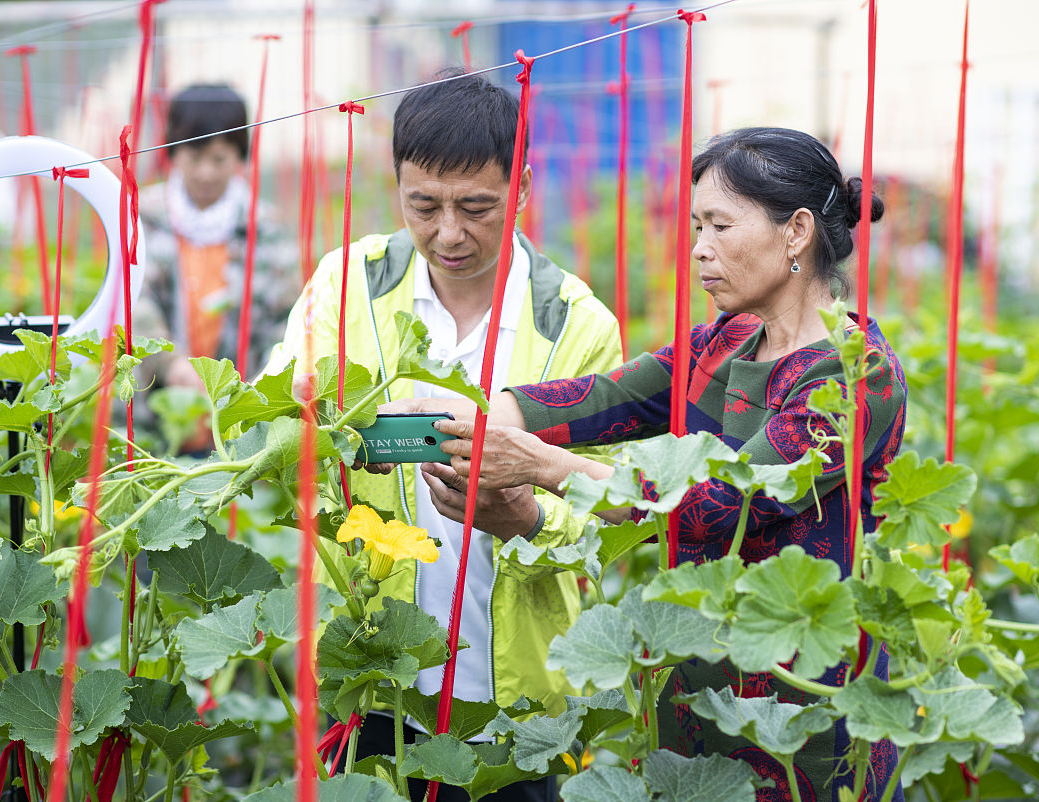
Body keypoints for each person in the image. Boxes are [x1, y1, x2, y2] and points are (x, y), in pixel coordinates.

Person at [407, 127, 906, 802]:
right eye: (697, 225)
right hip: (693, 698)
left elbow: (715, 505)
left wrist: (536, 463)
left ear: (796, 232)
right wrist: (471, 415)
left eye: (721, 226)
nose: (699, 248)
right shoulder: (726, 340)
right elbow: (604, 399)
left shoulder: (856, 375)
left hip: (806, 722)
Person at [263, 71, 623, 801]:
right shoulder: (346, 284)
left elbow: (615, 515)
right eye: (423, 206)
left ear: (520, 187)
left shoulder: (579, 327)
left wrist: (531, 518)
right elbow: (271, 435)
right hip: (372, 679)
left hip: (523, 703)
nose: (448, 233)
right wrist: (299, 420)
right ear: (397, 185)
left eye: (476, 207)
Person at [135, 83, 296, 446]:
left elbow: (285, 319)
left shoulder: (264, 227)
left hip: (243, 420)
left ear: (240, 157)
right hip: (154, 419)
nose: (206, 173)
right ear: (172, 153)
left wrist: (253, 394)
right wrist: (172, 363)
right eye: (194, 158)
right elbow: (133, 302)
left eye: (219, 159)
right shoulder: (142, 219)